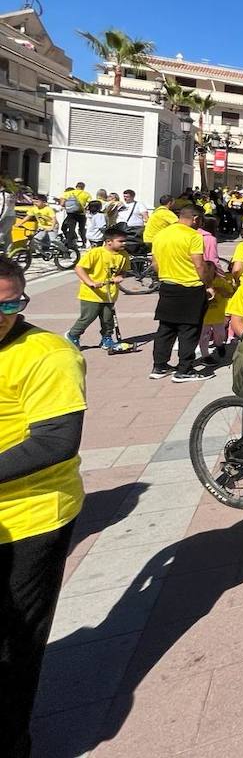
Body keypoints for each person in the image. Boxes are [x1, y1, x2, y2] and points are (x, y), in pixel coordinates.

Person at [0, 255, 87, 757]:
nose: (5, 314)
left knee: (14, 645)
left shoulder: (48, 354)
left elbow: (57, 439)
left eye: (12, 303)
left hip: (31, 517)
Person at [149, 202, 214, 382]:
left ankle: (159, 365)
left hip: (167, 286)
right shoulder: (193, 236)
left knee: (165, 328)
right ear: (195, 219)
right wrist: (208, 284)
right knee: (189, 329)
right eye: (200, 220)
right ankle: (185, 369)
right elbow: (199, 265)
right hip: (191, 287)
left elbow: (155, 264)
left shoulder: (161, 234)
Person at [66, 225, 130, 350]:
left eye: (124, 241)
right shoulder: (96, 253)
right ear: (109, 242)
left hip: (110, 294)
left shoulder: (124, 255)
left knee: (108, 318)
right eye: (121, 241)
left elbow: (123, 271)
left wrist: (120, 276)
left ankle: (106, 338)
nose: (124, 243)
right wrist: (90, 282)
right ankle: (73, 335)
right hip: (92, 294)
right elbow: (79, 268)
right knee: (88, 317)